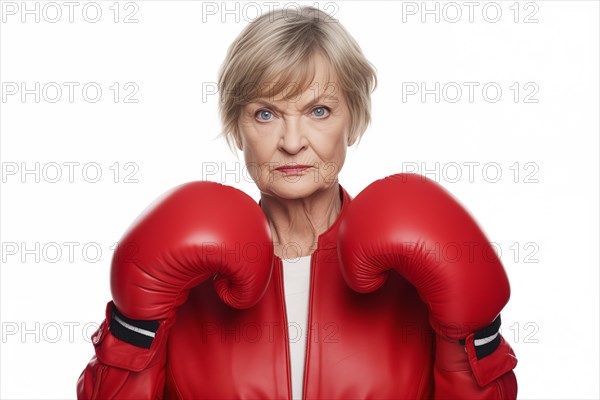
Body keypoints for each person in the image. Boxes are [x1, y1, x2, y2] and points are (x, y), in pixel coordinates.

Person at [77, 6, 518, 399]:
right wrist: (135, 330)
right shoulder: (183, 282)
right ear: (237, 126)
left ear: (355, 118)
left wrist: (473, 336)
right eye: (265, 114)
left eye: (319, 111)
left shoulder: (416, 279)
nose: (291, 142)